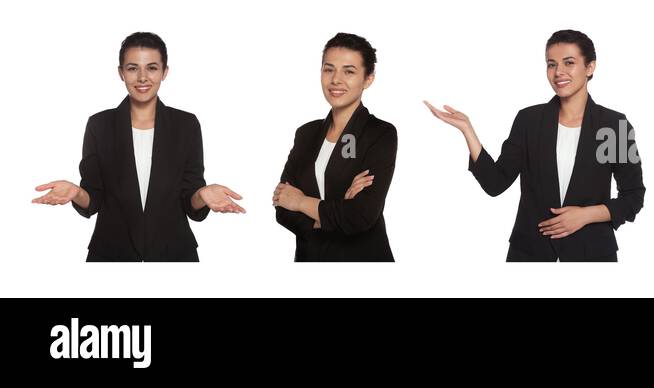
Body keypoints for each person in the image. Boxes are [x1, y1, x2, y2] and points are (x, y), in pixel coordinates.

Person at [426, 30, 644, 262]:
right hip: (530, 253)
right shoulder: (529, 121)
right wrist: (468, 130)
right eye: (551, 64)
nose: (558, 72)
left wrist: (586, 215)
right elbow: (495, 183)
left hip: (591, 254)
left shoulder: (613, 126)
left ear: (590, 67)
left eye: (569, 62)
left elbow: (632, 197)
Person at [31, 32, 245, 262]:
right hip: (111, 253)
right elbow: (93, 198)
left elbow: (189, 200)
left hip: (174, 254)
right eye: (133, 68)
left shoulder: (186, 124)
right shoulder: (99, 125)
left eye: (152, 68)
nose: (142, 77)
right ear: (121, 73)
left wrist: (202, 194)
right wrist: (77, 193)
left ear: (165, 72)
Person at [273, 33, 397, 262]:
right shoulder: (306, 133)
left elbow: (361, 215)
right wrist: (337, 210)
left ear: (368, 78)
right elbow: (282, 206)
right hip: (310, 260)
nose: (336, 80)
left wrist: (301, 202)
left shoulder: (380, 133)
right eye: (329, 69)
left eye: (349, 71)